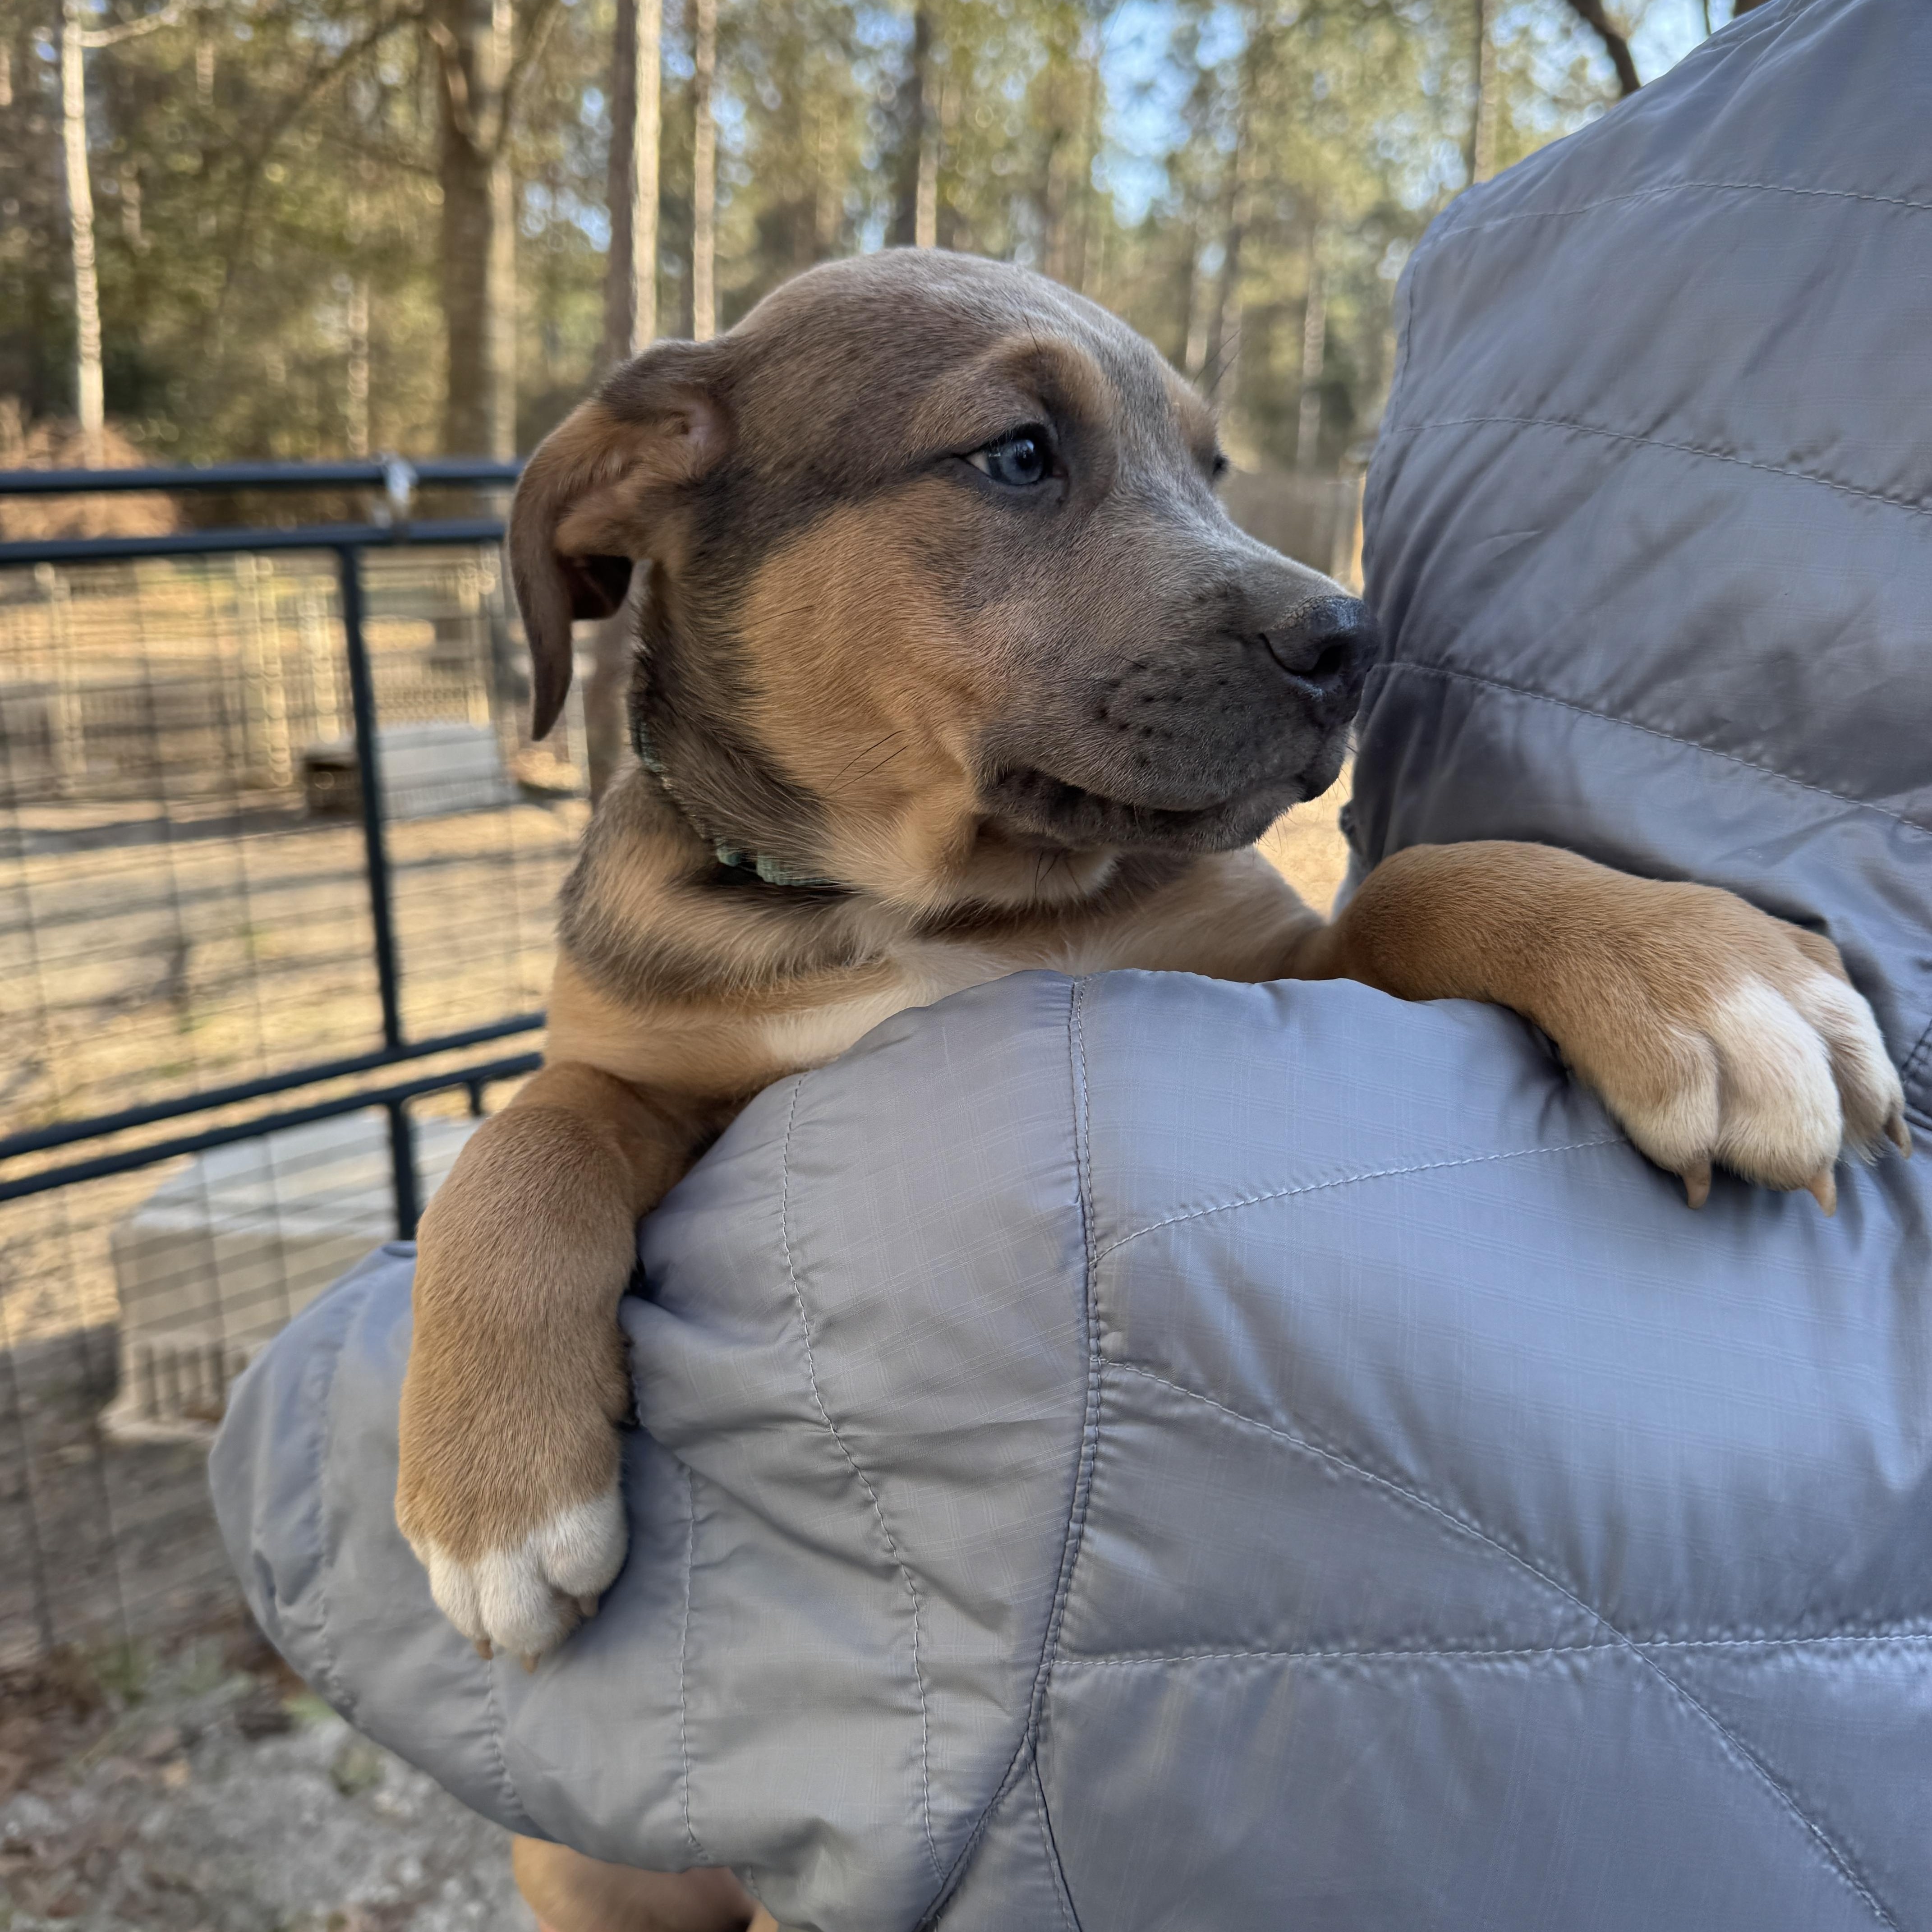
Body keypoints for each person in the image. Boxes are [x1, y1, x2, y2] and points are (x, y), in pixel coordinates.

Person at [213, 0, 1932, 1923]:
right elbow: (606, 1107)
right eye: (1026, 461)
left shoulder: (1132, 882)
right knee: (596, 1871)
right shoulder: (657, 943)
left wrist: (1566, 923)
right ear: (641, 502)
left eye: (1194, 478)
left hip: (1214, 1709)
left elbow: (1361, 970)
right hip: (823, 1716)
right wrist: (525, 1200)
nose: (1275, 598)